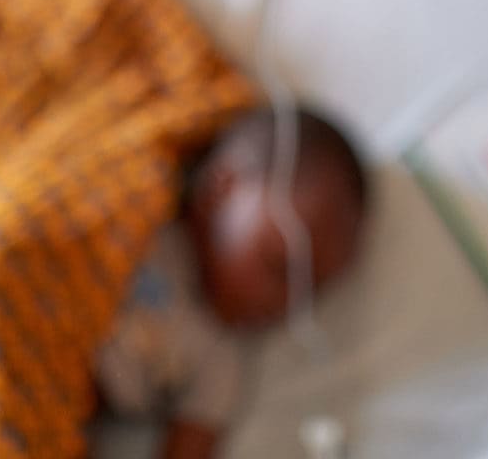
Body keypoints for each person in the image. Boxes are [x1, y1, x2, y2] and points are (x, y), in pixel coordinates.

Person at [96, 104, 369, 459]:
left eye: (311, 293)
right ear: (222, 189)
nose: (285, 304)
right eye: (279, 267)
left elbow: (191, 445)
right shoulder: (146, 225)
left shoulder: (222, 362)